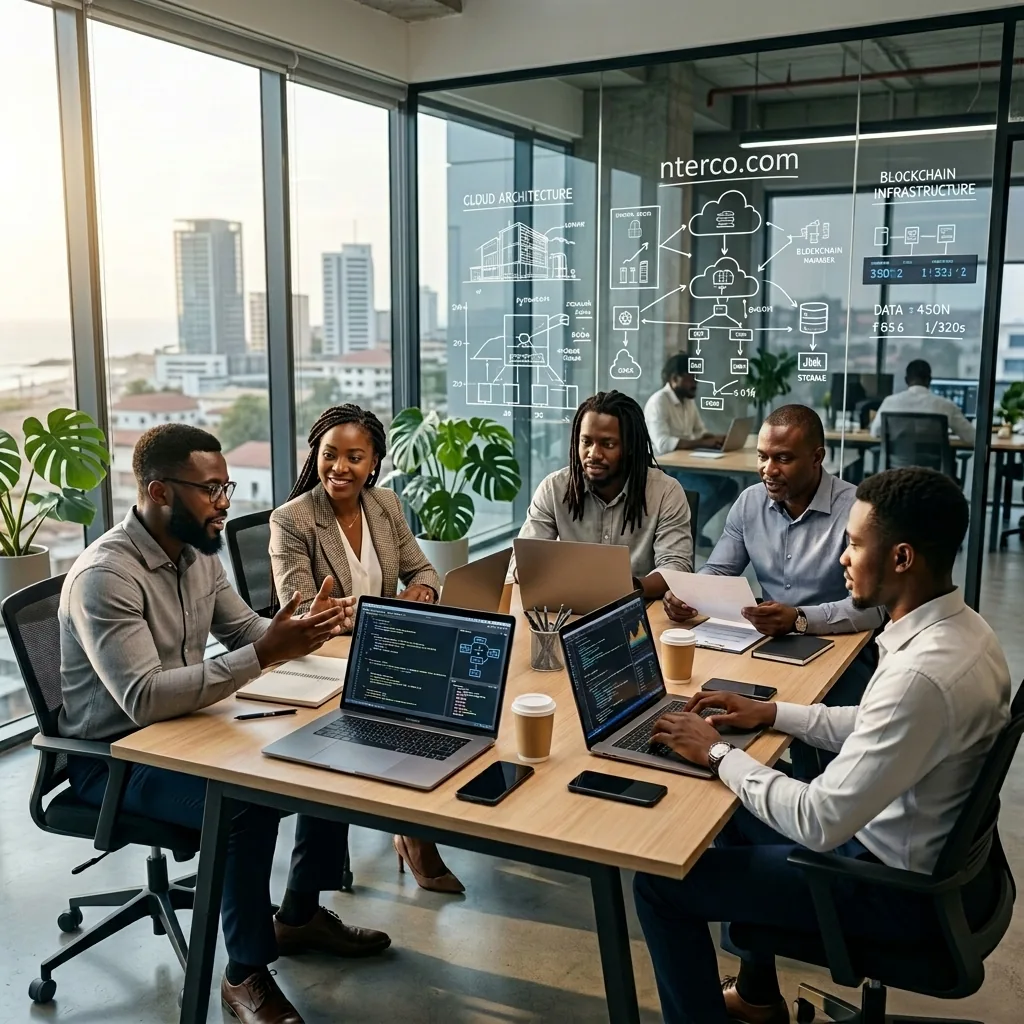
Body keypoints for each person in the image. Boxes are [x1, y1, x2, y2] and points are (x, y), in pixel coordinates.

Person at [634, 466, 1010, 1024]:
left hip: (884, 886)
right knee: (730, 815)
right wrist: (772, 712)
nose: (843, 558)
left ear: (902, 558)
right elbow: (873, 720)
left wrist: (717, 753)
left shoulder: (922, 676)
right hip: (927, 860)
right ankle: (759, 998)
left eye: (856, 545)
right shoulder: (966, 633)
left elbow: (819, 821)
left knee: (661, 887)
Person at [60, 424, 389, 1024]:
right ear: (160, 492)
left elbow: (244, 632)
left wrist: (302, 629)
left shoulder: (194, 554)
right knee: (245, 804)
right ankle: (244, 974)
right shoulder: (106, 576)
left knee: (330, 750)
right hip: (117, 760)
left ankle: (300, 915)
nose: (224, 503)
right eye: (211, 489)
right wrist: (267, 654)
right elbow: (142, 699)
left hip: (186, 730)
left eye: (226, 486)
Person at [269, 404, 459, 895]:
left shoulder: (384, 505)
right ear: (316, 457)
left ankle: (411, 827)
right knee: (414, 710)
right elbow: (310, 614)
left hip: (381, 650)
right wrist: (384, 612)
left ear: (373, 461)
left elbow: (424, 570)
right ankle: (414, 835)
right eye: (330, 455)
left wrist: (421, 593)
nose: (340, 468)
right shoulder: (292, 521)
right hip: (322, 663)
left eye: (355, 457)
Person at [664, 404, 885, 776]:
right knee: (701, 707)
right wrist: (690, 594)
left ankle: (798, 795)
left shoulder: (856, 510)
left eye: (782, 458)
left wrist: (800, 620)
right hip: (764, 645)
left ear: (817, 458)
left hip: (840, 655)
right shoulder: (750, 502)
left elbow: (873, 609)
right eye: (763, 457)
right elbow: (719, 568)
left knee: (832, 767)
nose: (768, 469)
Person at [515, 390, 693, 599]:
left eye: (608, 444)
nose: (594, 454)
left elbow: (676, 567)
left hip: (639, 609)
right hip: (568, 609)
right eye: (586, 442)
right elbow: (523, 565)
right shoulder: (554, 488)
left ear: (629, 447)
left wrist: (627, 587)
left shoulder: (665, 491)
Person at [644, 353, 741, 545]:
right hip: (666, 469)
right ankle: (685, 535)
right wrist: (704, 442)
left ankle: (695, 530)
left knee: (730, 487)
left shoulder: (688, 401)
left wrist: (717, 439)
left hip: (687, 465)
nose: (695, 383)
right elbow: (663, 444)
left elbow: (699, 432)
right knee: (708, 491)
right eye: (691, 378)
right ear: (674, 378)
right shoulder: (658, 402)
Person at [870, 358, 976, 444]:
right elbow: (972, 437)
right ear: (929, 380)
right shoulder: (946, 406)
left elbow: (875, 433)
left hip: (899, 469)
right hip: (933, 469)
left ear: (906, 380)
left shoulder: (890, 402)